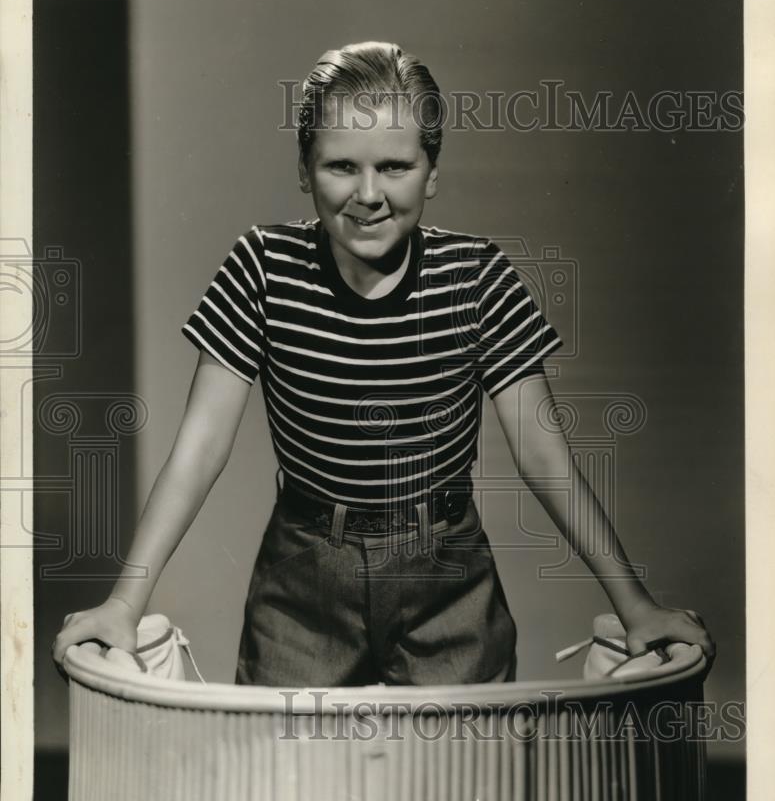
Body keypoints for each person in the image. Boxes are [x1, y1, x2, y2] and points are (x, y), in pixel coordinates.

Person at [53, 41, 715, 684]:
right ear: (303, 169)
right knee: (286, 788)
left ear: (432, 172)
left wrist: (633, 604)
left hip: (446, 578)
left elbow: (544, 459)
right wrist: (124, 603)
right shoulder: (261, 267)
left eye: (394, 167)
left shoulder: (477, 278)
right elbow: (199, 449)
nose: (367, 194)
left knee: (460, 790)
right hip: (303, 577)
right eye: (341, 166)